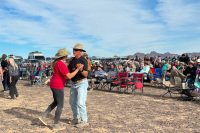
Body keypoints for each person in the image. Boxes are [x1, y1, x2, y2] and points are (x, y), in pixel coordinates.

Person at [38, 48, 83, 131]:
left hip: (54, 84)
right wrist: (78, 69)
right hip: (58, 85)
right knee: (60, 105)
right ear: (64, 56)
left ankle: (43, 116)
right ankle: (55, 125)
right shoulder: (61, 64)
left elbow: (64, 74)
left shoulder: (57, 63)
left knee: (56, 102)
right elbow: (69, 76)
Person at [68, 43, 89, 128]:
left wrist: (80, 70)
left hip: (82, 83)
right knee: (72, 102)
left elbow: (86, 74)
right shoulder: (72, 60)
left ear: (80, 51)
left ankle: (84, 121)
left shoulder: (83, 60)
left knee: (80, 102)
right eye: (74, 49)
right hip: (73, 84)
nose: (74, 51)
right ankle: (76, 118)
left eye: (76, 50)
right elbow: (68, 71)